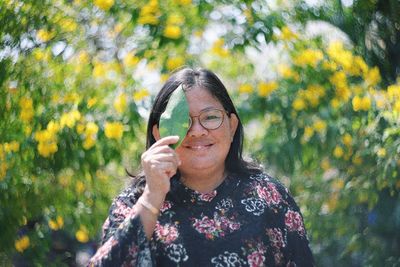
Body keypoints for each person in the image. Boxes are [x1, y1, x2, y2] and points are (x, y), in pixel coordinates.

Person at [88, 68, 314, 266]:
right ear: (159, 133)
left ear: (232, 126)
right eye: (183, 121)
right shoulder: (134, 201)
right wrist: (152, 196)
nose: (197, 131)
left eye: (211, 117)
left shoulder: (269, 196)